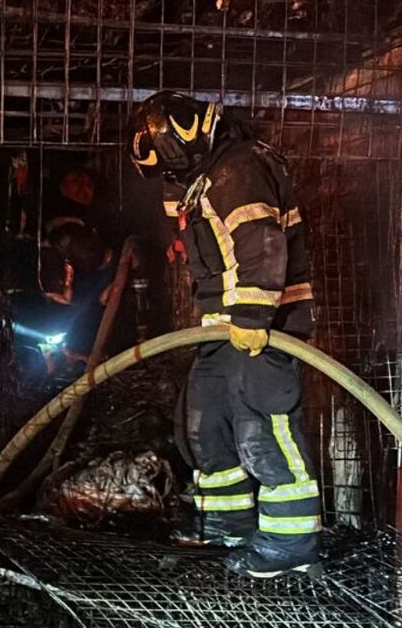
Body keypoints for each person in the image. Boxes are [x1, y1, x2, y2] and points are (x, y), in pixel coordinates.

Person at [129, 91, 321, 578]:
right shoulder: (204, 179)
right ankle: (228, 524)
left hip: (266, 323)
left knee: (263, 425)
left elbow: (261, 243)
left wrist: (254, 319)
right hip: (222, 327)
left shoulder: (239, 169)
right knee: (202, 421)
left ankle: (288, 544)